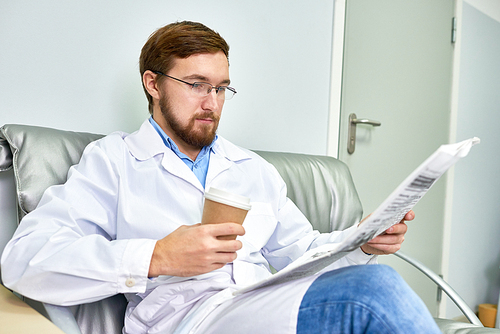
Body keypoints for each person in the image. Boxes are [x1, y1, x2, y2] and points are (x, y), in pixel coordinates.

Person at [1, 21, 440, 333]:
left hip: (259, 304)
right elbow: (25, 260)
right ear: (153, 83)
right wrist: (155, 257)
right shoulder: (113, 161)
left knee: (369, 289)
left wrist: (358, 240)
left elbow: (300, 252)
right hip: (188, 317)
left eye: (221, 87)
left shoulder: (251, 169)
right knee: (372, 293)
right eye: (196, 84)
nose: (211, 101)